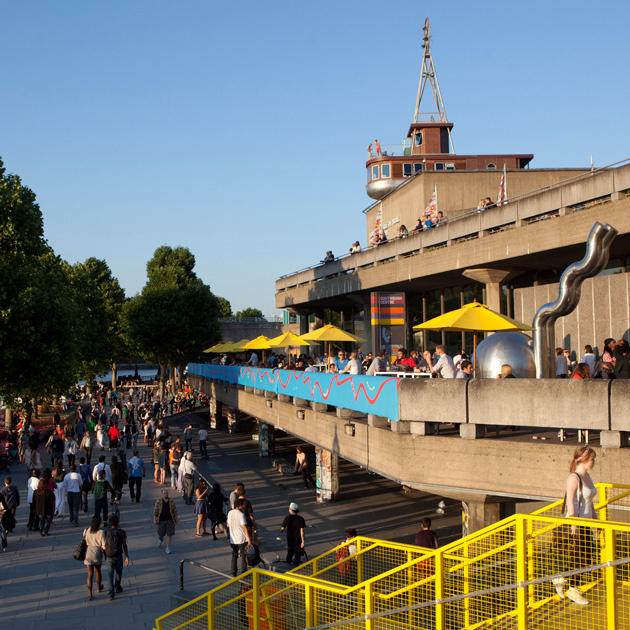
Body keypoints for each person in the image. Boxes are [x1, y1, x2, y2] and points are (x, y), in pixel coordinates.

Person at [552, 445, 598, 606]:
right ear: (584, 460)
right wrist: (573, 524)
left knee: (586, 555)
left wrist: (596, 520)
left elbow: (589, 500)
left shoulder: (587, 476)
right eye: (592, 459)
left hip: (586, 521)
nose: (594, 462)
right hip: (577, 522)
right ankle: (572, 588)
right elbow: (570, 501)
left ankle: (562, 579)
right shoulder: (574, 477)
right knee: (580, 556)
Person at [104, 513, 129, 601]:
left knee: (110, 575)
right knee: (118, 572)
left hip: (109, 556)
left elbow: (104, 544)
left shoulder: (106, 532)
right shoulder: (122, 532)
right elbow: (124, 545)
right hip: (118, 555)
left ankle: (111, 593)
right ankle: (117, 587)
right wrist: (127, 556)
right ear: (118, 522)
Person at [227, 498, 252, 577]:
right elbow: (244, 527)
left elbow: (228, 525)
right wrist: (249, 539)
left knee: (234, 555)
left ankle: (233, 572)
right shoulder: (241, 515)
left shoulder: (230, 513)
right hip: (241, 539)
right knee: (243, 555)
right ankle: (244, 572)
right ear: (240, 506)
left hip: (233, 539)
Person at [84, 515, 106, 600]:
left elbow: (85, 541)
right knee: (98, 571)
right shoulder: (101, 532)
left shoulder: (87, 530)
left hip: (88, 552)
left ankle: (90, 594)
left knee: (90, 574)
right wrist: (105, 554)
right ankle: (99, 587)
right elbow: (103, 545)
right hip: (97, 553)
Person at [281, 502, 305, 566]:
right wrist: (303, 541)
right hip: (298, 538)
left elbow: (282, 528)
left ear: (291, 509)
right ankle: (296, 562)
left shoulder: (287, 518)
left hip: (290, 537)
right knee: (297, 550)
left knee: (290, 549)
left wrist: (282, 529)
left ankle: (288, 561)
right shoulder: (301, 519)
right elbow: (302, 531)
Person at [154, 489, 178, 553]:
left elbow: (175, 510)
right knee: (161, 534)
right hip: (161, 520)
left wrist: (176, 519)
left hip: (170, 520)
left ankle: (167, 548)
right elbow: (156, 511)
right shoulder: (158, 501)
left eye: (167, 493)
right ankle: (160, 540)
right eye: (164, 493)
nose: (166, 494)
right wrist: (155, 519)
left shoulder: (171, 501)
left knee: (169, 534)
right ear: (162, 494)